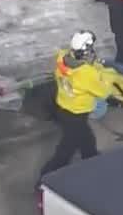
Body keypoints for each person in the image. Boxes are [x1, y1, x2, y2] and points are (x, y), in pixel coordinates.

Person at [38, 30, 112, 185]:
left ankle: (91, 159)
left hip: (64, 106)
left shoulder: (62, 58)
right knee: (65, 151)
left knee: (87, 139)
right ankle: (44, 180)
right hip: (77, 112)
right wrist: (102, 70)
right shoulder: (86, 74)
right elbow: (104, 91)